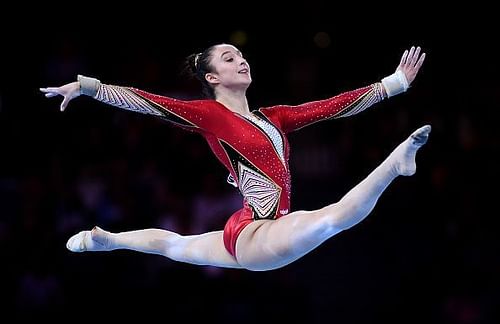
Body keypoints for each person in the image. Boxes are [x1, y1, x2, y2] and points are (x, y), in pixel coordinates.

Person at [40, 43, 428, 271]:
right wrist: (90, 87)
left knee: (173, 246)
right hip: (260, 232)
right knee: (334, 219)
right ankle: (396, 164)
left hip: (254, 230)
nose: (240, 61)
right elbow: (151, 103)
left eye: (241, 55)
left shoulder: (274, 118)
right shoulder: (211, 116)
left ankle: (107, 241)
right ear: (212, 78)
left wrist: (392, 84)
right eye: (228, 58)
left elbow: (330, 107)